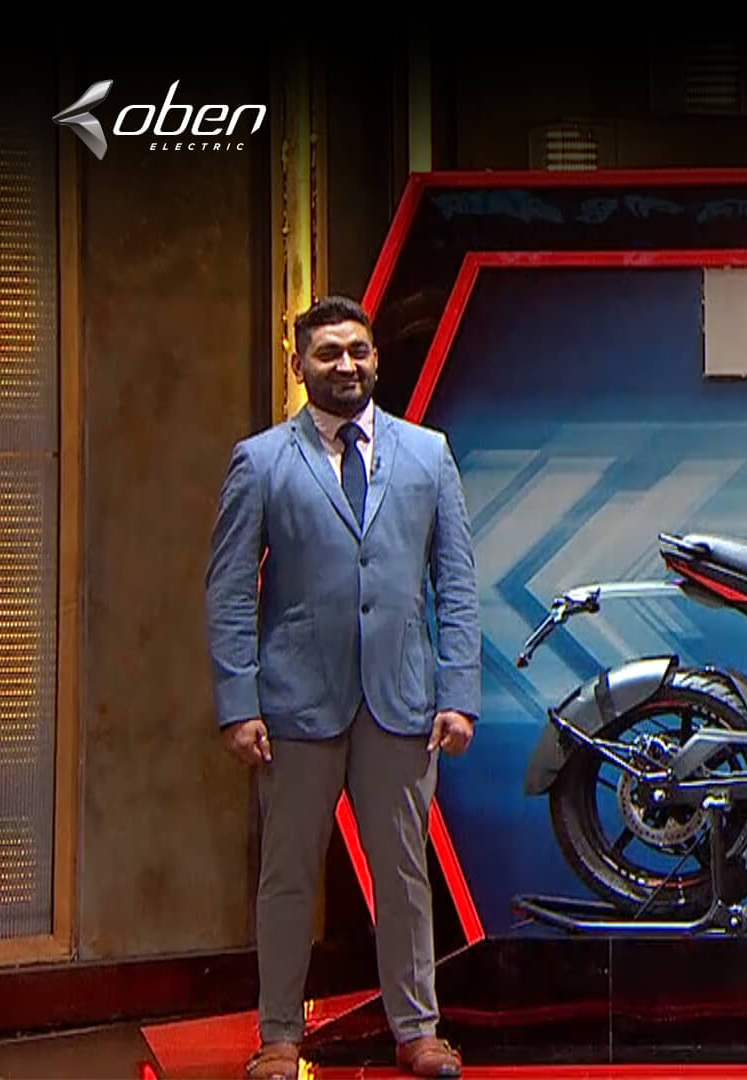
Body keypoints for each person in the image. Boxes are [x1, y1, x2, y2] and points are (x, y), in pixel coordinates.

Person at [205, 296, 482, 1080]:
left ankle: (418, 1031)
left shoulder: (428, 454)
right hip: (295, 705)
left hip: (402, 702)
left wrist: (458, 692)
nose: (346, 365)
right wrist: (238, 704)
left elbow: (456, 582)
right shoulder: (260, 461)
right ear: (299, 365)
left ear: (376, 359)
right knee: (288, 878)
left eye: (357, 350)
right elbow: (229, 591)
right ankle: (279, 1036)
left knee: (403, 876)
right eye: (328, 352)